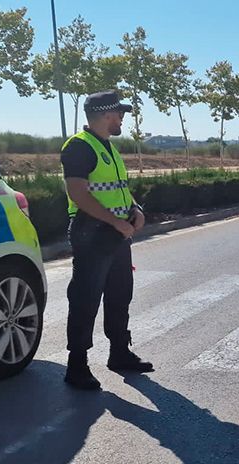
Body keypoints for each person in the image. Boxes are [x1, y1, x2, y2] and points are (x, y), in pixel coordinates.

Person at [61, 90, 155, 390]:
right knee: (85, 298)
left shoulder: (108, 148)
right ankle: (77, 365)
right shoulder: (79, 147)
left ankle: (119, 353)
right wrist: (116, 221)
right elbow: (78, 193)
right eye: (120, 114)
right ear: (106, 115)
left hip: (115, 233)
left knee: (119, 294)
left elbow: (117, 189)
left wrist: (135, 209)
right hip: (92, 233)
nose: (123, 119)